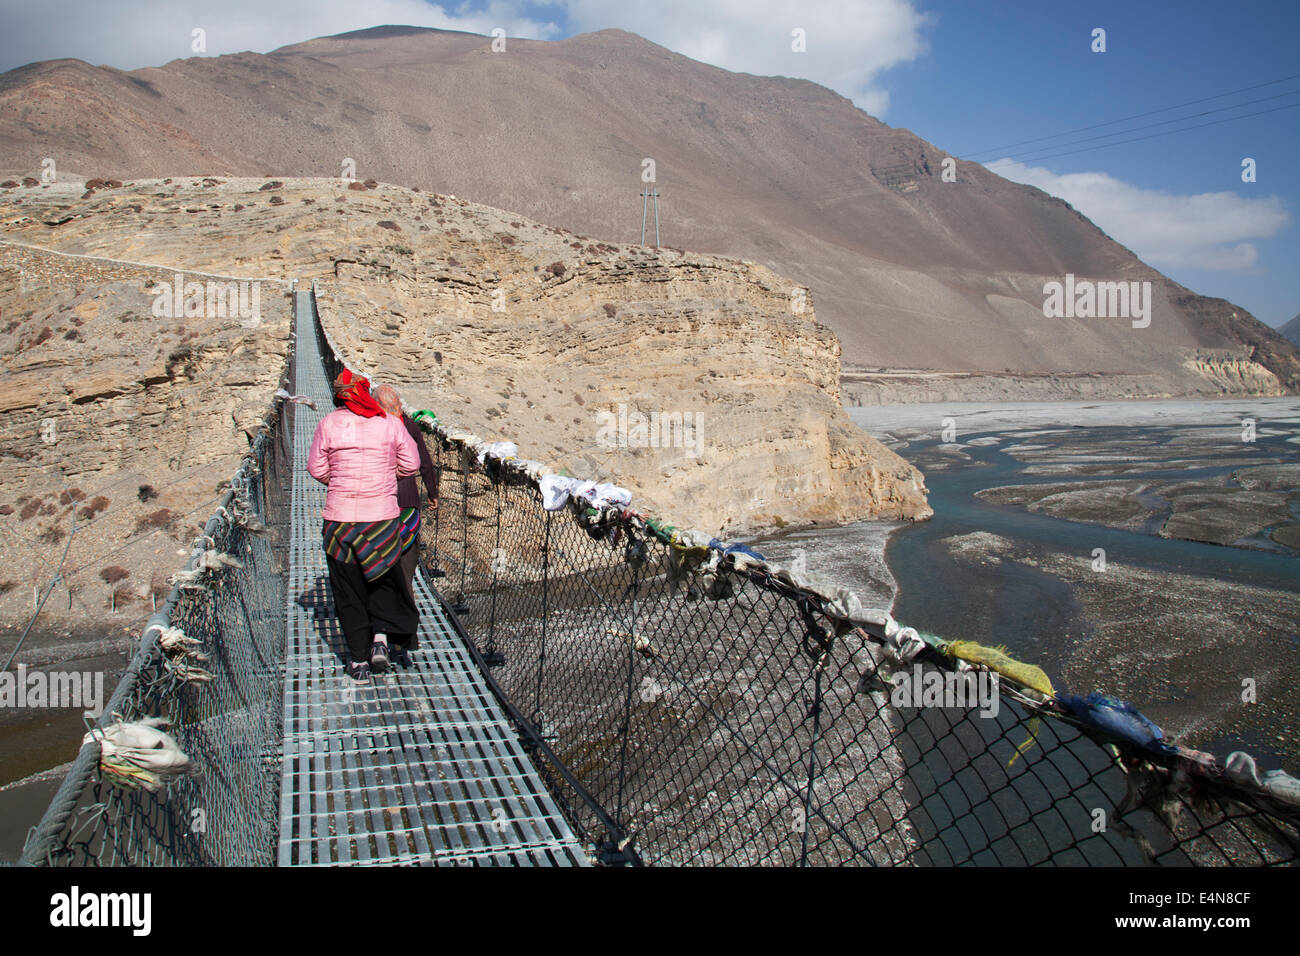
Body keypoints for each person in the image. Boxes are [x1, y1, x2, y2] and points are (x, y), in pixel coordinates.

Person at [307, 369, 419, 682]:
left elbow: (316, 467)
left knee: (348, 590)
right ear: (365, 393)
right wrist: (384, 476)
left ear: (339, 396)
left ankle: (357, 660)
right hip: (381, 519)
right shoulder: (389, 423)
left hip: (340, 523)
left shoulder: (328, 423)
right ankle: (381, 641)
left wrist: (339, 481)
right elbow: (411, 464)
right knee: (382, 580)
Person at [372, 384, 440, 667]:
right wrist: (432, 491)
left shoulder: (371, 425)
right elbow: (424, 462)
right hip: (407, 508)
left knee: (378, 571)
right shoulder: (409, 426)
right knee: (405, 571)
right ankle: (405, 640)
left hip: (377, 508)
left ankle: (380, 638)